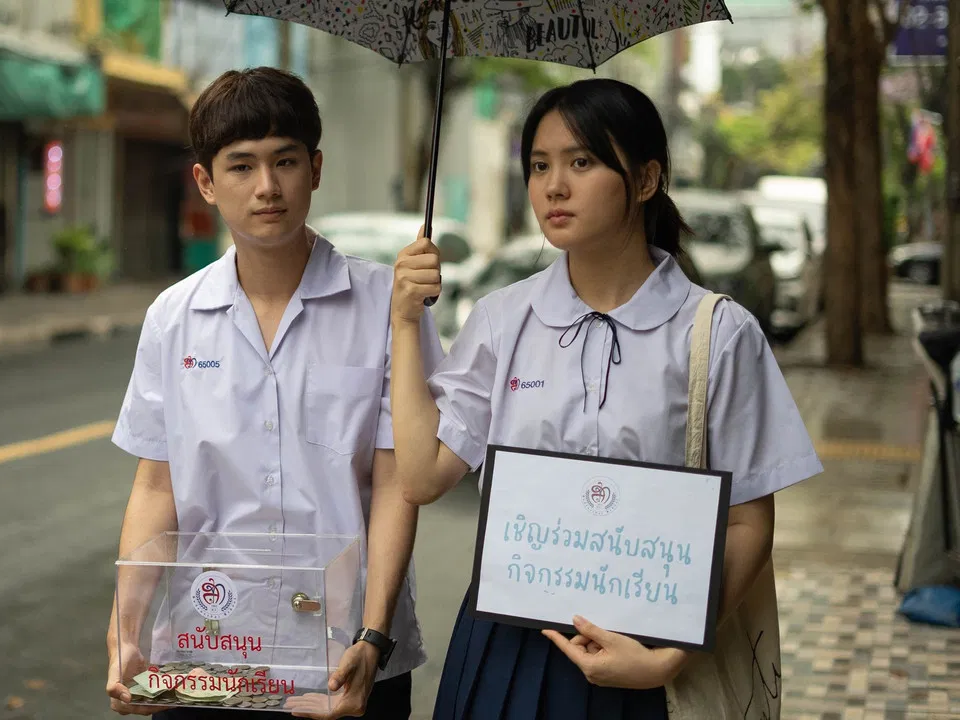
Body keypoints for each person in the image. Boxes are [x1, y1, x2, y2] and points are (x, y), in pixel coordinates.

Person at [388, 78, 823, 719]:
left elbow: (748, 523)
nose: (553, 186)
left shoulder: (718, 333)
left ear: (646, 179)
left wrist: (667, 659)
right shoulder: (502, 320)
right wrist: (405, 324)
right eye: (540, 165)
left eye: (582, 162)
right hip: (507, 651)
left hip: (649, 661)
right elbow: (423, 476)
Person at [106, 67, 441, 720]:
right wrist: (124, 631)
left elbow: (398, 483)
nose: (266, 186)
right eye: (241, 166)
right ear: (206, 182)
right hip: (207, 651)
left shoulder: (389, 306)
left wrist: (373, 637)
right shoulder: (174, 317)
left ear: (315, 169)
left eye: (284, 161)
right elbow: (156, 487)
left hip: (345, 659)